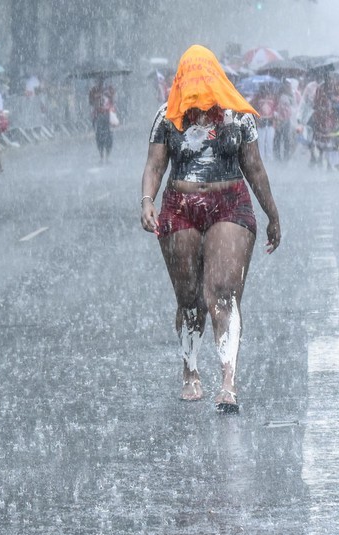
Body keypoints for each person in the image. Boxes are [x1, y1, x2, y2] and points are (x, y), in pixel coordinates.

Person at [139, 45, 280, 414]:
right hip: (180, 209)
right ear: (181, 79)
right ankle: (190, 370)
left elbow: (256, 168)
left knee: (221, 294)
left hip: (229, 205)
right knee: (190, 300)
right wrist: (147, 201)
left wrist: (272, 215)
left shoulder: (238, 117)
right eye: (191, 76)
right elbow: (155, 164)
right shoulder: (166, 117)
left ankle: (228, 380)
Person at [88, 75, 117, 163]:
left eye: (101, 80)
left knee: (107, 136)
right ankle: (102, 155)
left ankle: (106, 156)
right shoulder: (93, 90)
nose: (100, 82)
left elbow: (113, 100)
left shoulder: (109, 89)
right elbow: (91, 102)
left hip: (106, 115)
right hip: (99, 116)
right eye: (98, 80)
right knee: (100, 136)